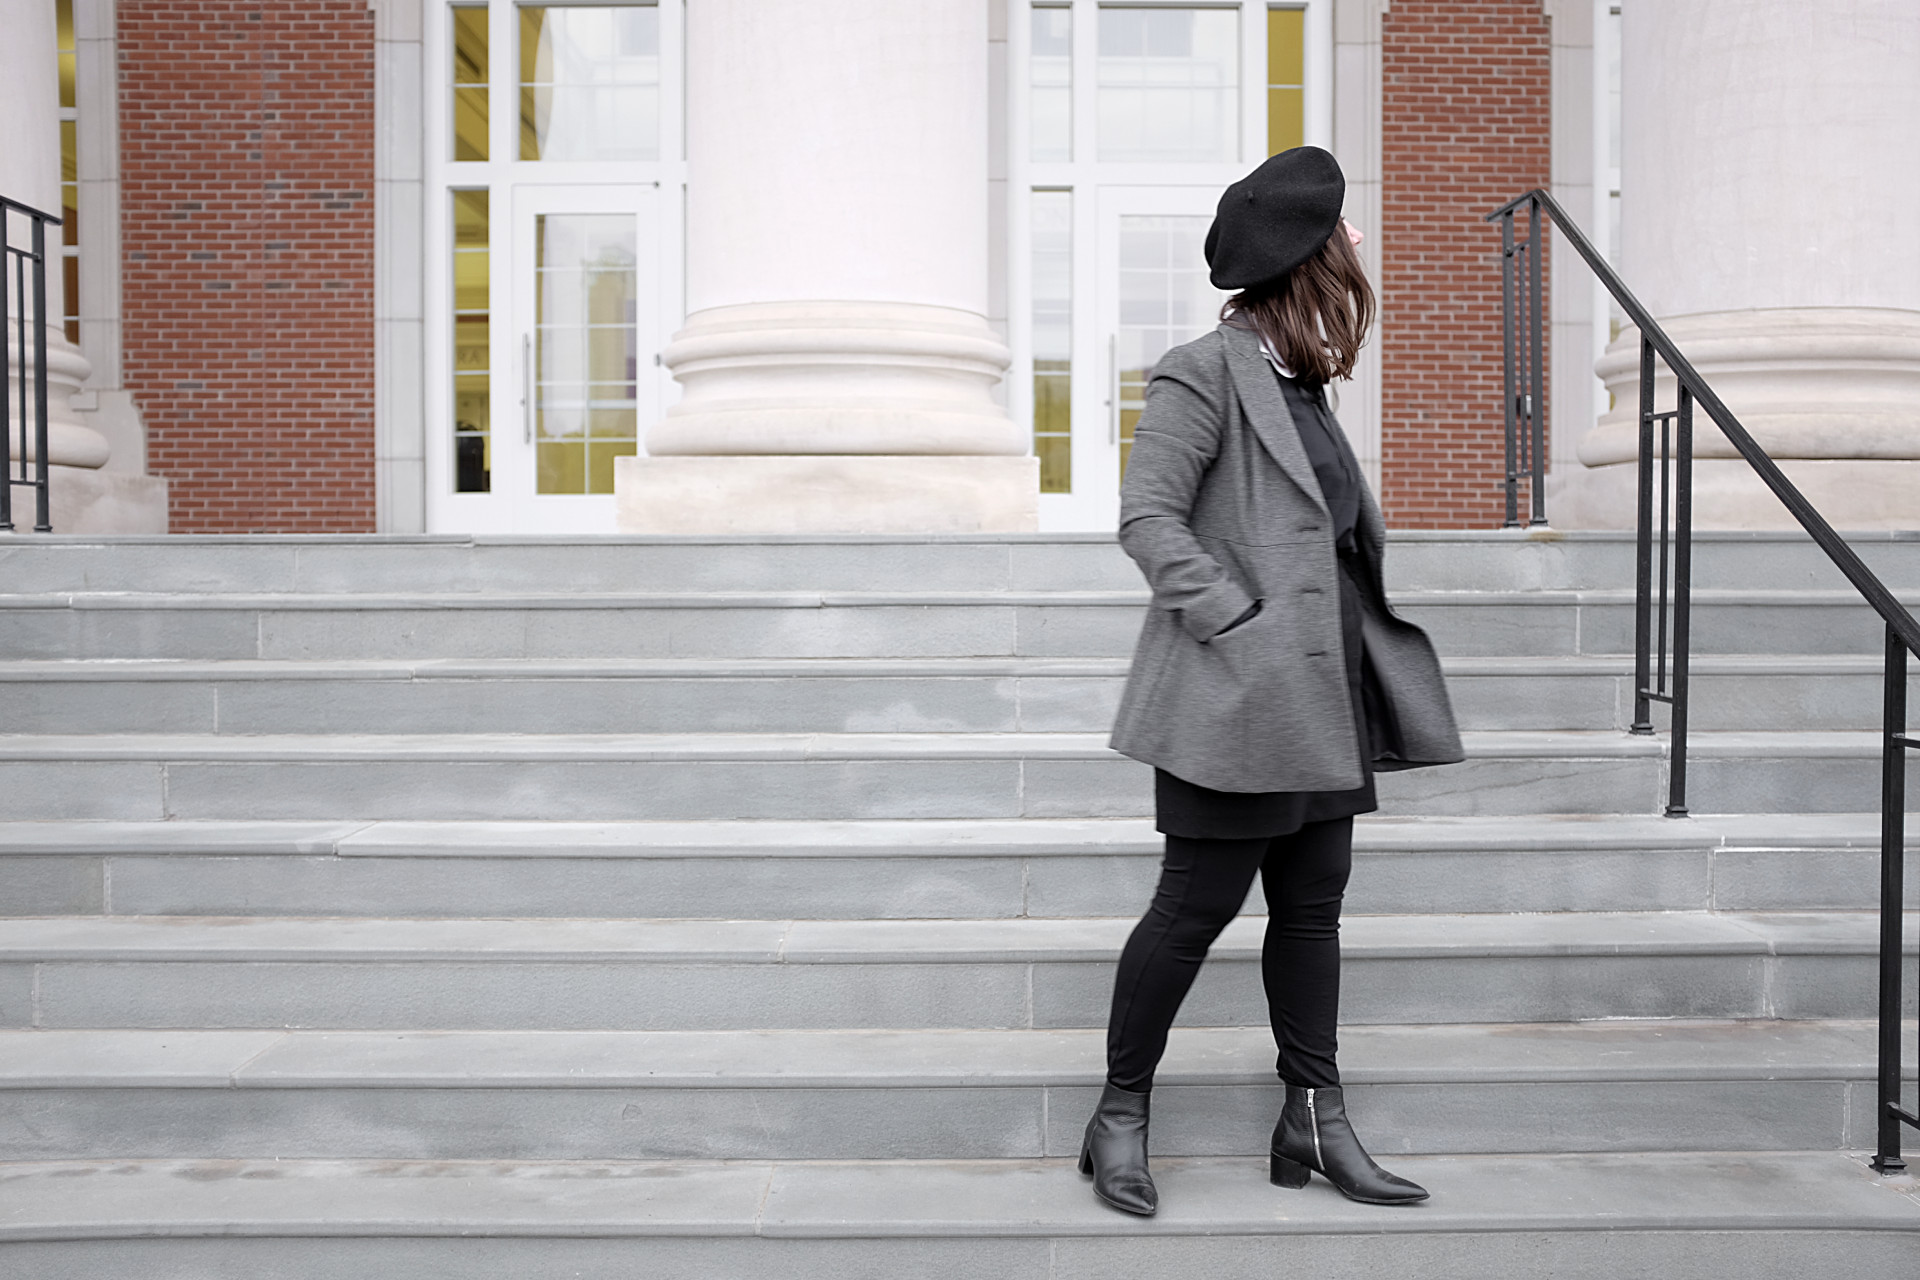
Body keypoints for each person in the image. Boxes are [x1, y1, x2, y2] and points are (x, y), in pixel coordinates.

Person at [1079, 146, 1465, 1217]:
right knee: (1191, 911)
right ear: (1306, 252)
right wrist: (1237, 622)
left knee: (1310, 913)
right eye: (1342, 228)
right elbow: (1147, 519)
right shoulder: (1202, 370)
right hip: (1234, 698)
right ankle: (1118, 1111)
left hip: (1324, 697)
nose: (1357, 241)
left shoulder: (1304, 383)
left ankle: (1314, 1116)